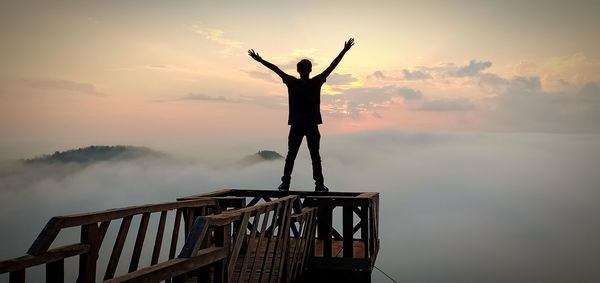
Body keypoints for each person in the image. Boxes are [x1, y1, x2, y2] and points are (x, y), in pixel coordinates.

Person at [249, 38, 354, 192]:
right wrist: (344, 51)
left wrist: (259, 60)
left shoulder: (292, 82)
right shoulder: (316, 82)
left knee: (291, 155)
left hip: (297, 124)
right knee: (315, 156)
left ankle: (285, 183)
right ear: (310, 70)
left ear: (298, 70)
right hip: (311, 125)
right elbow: (332, 66)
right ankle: (319, 184)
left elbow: (275, 69)